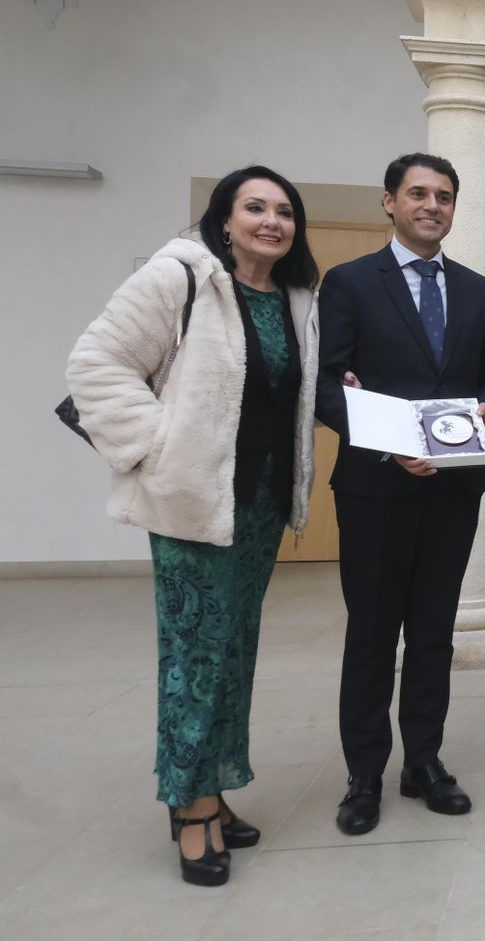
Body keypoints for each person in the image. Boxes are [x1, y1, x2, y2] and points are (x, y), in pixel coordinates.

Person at [66, 166, 320, 885]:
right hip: (192, 505)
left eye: (283, 211)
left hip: (260, 504)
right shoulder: (179, 276)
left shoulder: (298, 297)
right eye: (254, 208)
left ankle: (215, 780)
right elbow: (95, 364)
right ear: (225, 217)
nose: (271, 221)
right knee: (193, 658)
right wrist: (156, 449)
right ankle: (190, 805)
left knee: (234, 650)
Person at [316, 153, 485, 835]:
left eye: (445, 196)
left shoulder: (479, 290)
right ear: (389, 203)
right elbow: (326, 385)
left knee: (432, 635)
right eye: (419, 193)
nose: (433, 205)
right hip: (374, 488)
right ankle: (364, 772)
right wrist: (387, 441)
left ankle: (423, 761)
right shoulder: (348, 283)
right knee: (372, 634)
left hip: (454, 491)